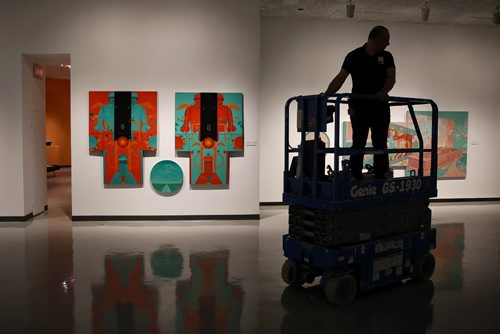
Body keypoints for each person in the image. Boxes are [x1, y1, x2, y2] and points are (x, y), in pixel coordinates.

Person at [326, 26, 396, 180]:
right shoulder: (353, 56)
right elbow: (340, 77)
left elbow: (391, 78)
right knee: (359, 141)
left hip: (380, 106)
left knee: (380, 142)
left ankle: (380, 176)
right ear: (375, 38)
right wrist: (326, 95)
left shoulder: (387, 56)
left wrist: (383, 92)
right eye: (386, 39)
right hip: (360, 106)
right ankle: (355, 174)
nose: (388, 43)